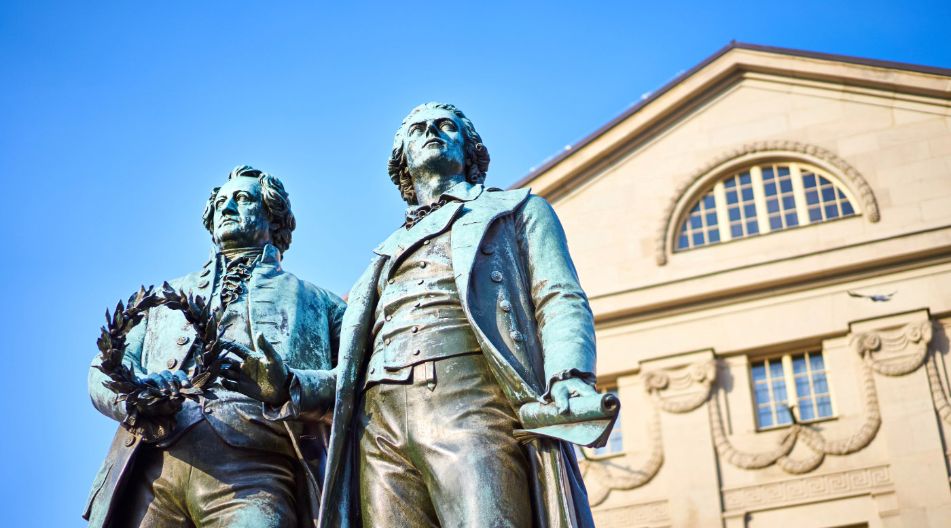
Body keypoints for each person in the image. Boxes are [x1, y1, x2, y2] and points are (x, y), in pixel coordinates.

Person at [312, 102, 602, 527]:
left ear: (469, 150)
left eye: (446, 125)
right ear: (403, 164)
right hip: (377, 422)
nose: (432, 130)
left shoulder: (517, 209)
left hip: (471, 403)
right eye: (418, 130)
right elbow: (346, 369)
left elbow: (559, 296)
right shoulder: (380, 256)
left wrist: (569, 375)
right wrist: (284, 383)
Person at [84, 165, 345, 528]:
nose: (227, 207)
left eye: (242, 199)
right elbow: (104, 366)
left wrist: (289, 386)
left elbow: (355, 380)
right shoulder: (161, 299)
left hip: (255, 474)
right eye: (221, 201)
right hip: (153, 472)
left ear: (273, 217)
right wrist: (136, 396)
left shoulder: (319, 303)